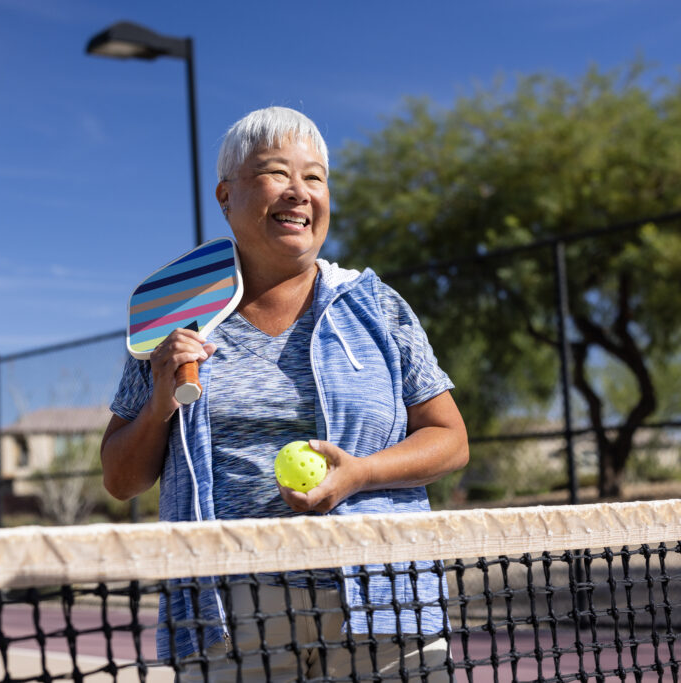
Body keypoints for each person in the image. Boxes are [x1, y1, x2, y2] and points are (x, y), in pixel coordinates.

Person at [101, 106, 469, 682]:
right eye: (276, 173)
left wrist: (359, 474)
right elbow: (121, 480)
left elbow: (450, 440)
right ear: (226, 196)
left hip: (384, 597)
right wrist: (159, 403)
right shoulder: (171, 317)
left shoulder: (378, 306)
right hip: (229, 610)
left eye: (315, 177)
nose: (299, 192)